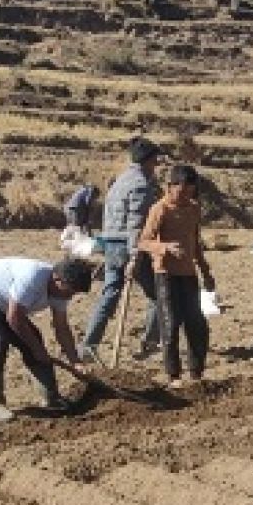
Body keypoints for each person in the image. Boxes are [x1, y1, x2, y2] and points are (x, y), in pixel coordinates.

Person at [0, 256, 93, 422]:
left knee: (34, 338)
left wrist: (75, 362)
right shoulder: (33, 277)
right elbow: (14, 317)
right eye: (70, 291)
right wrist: (37, 350)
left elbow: (61, 327)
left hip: (3, 302)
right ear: (57, 279)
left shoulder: (61, 292)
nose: (70, 297)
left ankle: (52, 399)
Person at [81, 137, 163, 365]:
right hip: (127, 245)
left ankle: (89, 344)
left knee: (110, 293)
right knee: (157, 294)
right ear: (147, 161)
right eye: (155, 160)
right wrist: (135, 255)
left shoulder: (120, 181)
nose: (156, 165)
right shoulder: (140, 185)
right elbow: (136, 224)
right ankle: (150, 342)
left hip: (111, 243)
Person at [134, 164, 216, 391]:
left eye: (190, 192)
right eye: (181, 192)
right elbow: (143, 241)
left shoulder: (194, 209)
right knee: (170, 325)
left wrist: (206, 271)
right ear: (170, 187)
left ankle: (196, 373)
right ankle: (173, 375)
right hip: (165, 274)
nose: (185, 197)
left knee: (197, 325)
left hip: (188, 274)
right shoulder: (159, 210)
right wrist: (165, 248)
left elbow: (195, 242)